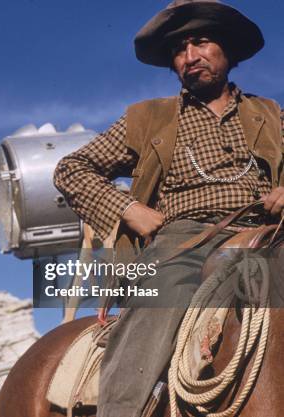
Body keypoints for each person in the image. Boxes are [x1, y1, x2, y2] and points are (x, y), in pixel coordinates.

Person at [53, 1, 284, 416]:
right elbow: (72, 168)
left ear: (227, 49)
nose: (190, 57)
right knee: (159, 302)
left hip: (268, 231)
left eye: (201, 42)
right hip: (185, 239)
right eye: (179, 49)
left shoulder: (272, 115)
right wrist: (127, 208)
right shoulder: (148, 119)